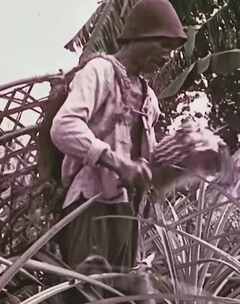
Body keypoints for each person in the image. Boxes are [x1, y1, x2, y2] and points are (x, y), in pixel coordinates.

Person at [49, 0, 187, 301]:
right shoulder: (99, 72)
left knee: (122, 296)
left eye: (172, 49)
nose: (167, 56)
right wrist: (115, 162)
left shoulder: (149, 100)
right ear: (139, 36)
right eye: (163, 45)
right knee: (86, 293)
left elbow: (146, 160)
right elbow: (64, 127)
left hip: (126, 212)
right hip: (89, 203)